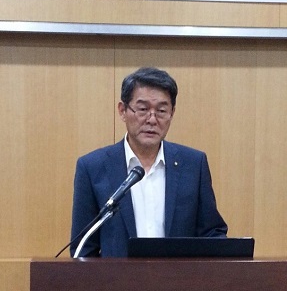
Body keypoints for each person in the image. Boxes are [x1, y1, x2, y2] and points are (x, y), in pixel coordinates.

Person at [70, 67, 227, 257]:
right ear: (122, 111)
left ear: (172, 113)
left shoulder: (193, 165)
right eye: (143, 109)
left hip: (178, 276)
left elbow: (211, 233)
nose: (152, 120)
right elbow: (83, 248)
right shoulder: (92, 167)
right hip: (117, 277)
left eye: (161, 111)